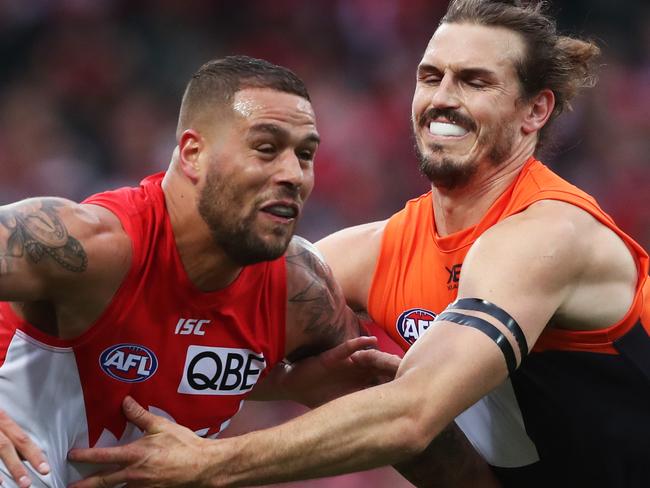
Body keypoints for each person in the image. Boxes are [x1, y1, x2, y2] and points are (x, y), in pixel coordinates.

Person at [67, 1, 650, 487]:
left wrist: (212, 464)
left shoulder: (549, 235)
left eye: (474, 81)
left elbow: (415, 413)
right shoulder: (380, 250)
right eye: (430, 77)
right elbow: (183, 313)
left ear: (535, 110)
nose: (442, 98)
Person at [0, 55, 408, 488]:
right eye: (266, 148)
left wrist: (289, 384)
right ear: (194, 153)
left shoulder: (299, 291)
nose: (294, 174)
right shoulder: (87, 245)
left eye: (305, 155)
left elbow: (403, 418)